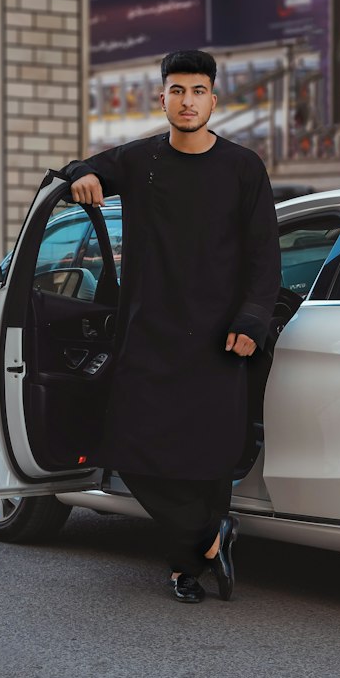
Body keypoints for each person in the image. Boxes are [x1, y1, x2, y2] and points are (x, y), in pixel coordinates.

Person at [62, 49, 281, 605]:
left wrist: (253, 319)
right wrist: (83, 175)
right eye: (177, 90)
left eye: (198, 91)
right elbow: (76, 170)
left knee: (207, 461)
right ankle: (208, 537)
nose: (187, 101)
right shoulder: (138, 161)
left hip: (218, 336)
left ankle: (188, 566)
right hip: (149, 334)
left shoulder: (243, 168)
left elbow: (264, 257)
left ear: (214, 99)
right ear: (162, 98)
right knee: (129, 448)